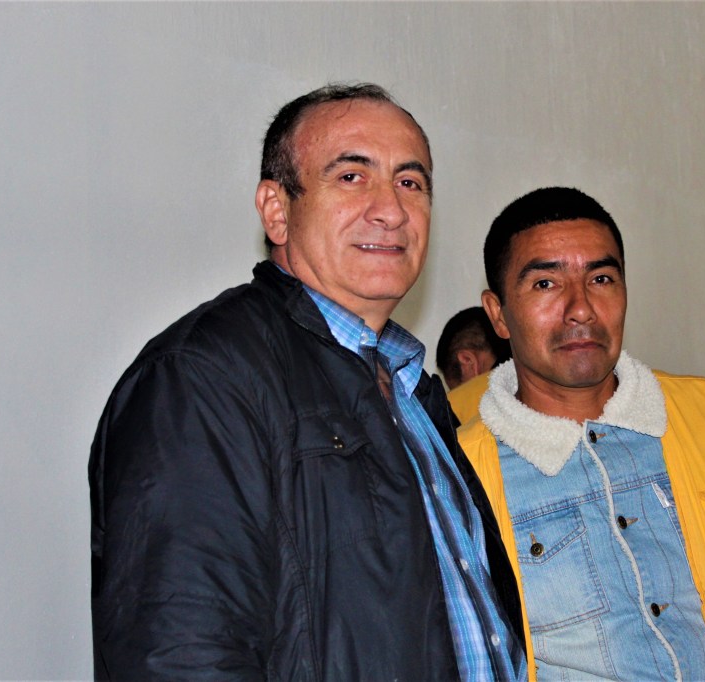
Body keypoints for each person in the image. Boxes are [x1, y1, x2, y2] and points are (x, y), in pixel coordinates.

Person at [89, 83, 525, 680]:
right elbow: (181, 652)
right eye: (351, 176)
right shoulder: (201, 378)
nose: (391, 209)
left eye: (410, 182)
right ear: (277, 210)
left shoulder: (412, 389)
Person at [458, 187, 705, 681]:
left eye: (601, 279)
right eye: (546, 283)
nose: (581, 308)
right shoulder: (462, 474)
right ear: (498, 314)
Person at [437, 306, 512, 424]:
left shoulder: (458, 405)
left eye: (459, 388)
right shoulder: (534, 378)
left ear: (467, 360)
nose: (463, 393)